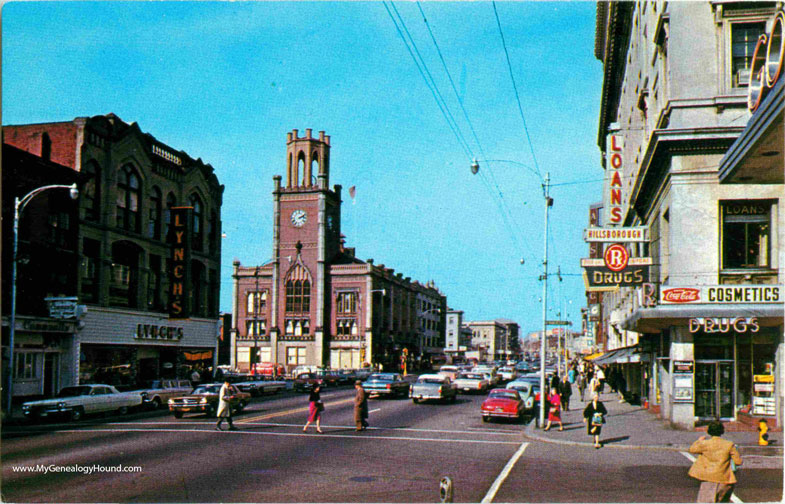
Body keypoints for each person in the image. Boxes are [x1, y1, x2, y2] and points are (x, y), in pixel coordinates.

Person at [688, 421, 742, 503]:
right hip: (724, 479)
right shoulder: (729, 444)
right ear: (722, 431)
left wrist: (699, 441)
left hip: (708, 478)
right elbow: (738, 462)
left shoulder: (705, 444)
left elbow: (692, 449)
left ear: (709, 431)